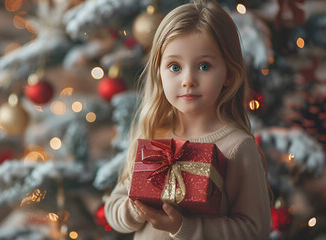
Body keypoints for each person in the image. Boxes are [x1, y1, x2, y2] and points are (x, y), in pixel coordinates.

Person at [104, 0, 273, 239]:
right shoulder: (155, 136)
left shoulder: (237, 147)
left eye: (204, 66)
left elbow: (255, 231)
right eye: (174, 67)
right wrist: (136, 207)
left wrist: (182, 227)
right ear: (159, 72)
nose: (188, 80)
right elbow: (113, 209)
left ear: (229, 74)